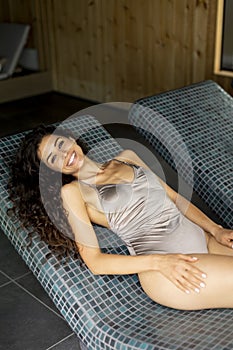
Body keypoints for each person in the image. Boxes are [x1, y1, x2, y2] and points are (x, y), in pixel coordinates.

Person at [8, 124, 233, 311]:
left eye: (60, 144)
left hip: (204, 240)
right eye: (52, 158)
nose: (64, 154)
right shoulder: (73, 193)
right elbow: (95, 262)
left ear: (70, 138)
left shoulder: (128, 157)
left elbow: (175, 198)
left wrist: (215, 229)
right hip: (165, 268)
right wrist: (160, 262)